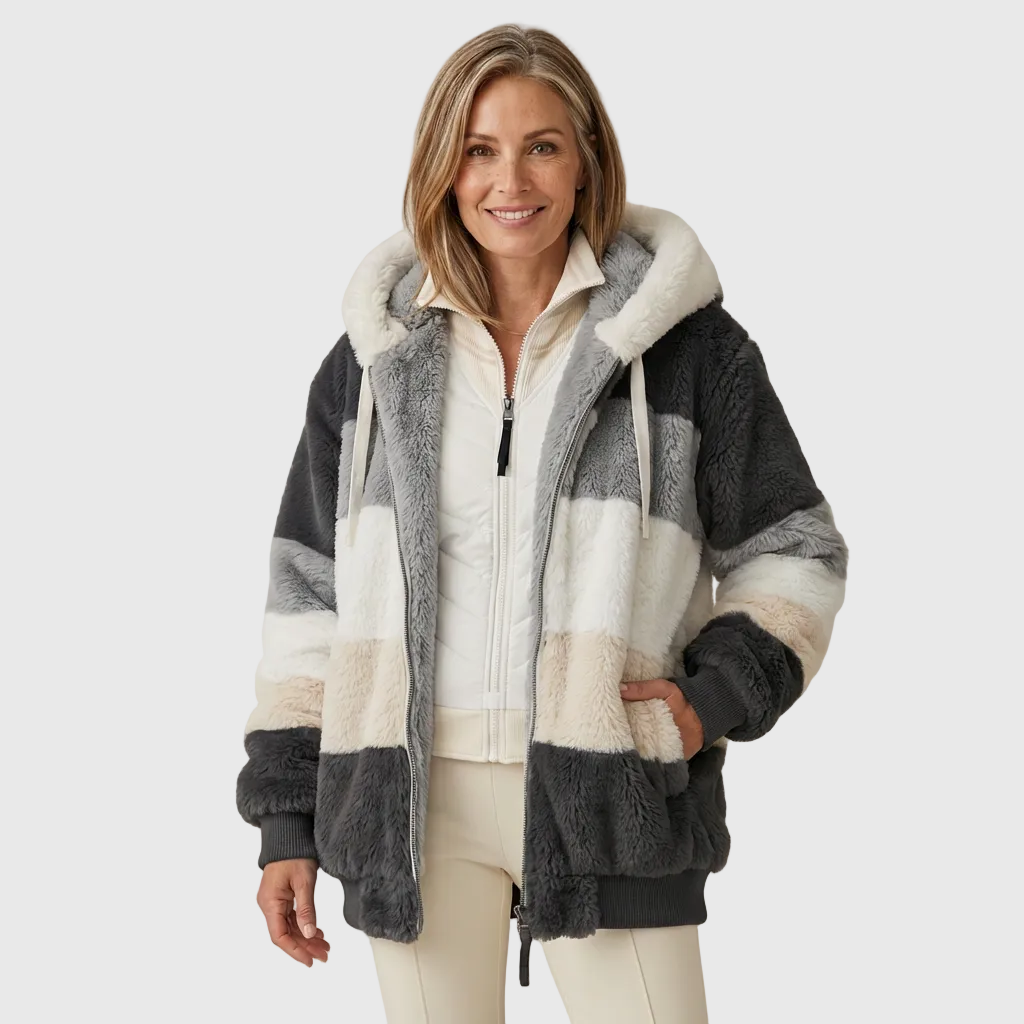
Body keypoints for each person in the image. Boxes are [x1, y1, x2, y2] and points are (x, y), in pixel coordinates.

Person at [235, 22, 848, 1024]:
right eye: (479, 149)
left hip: (610, 796)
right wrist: (286, 819)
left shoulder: (689, 352)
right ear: (442, 167)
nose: (508, 180)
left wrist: (707, 702)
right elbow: (308, 597)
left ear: (586, 159)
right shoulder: (374, 362)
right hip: (410, 808)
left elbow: (795, 553)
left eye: (542, 146)